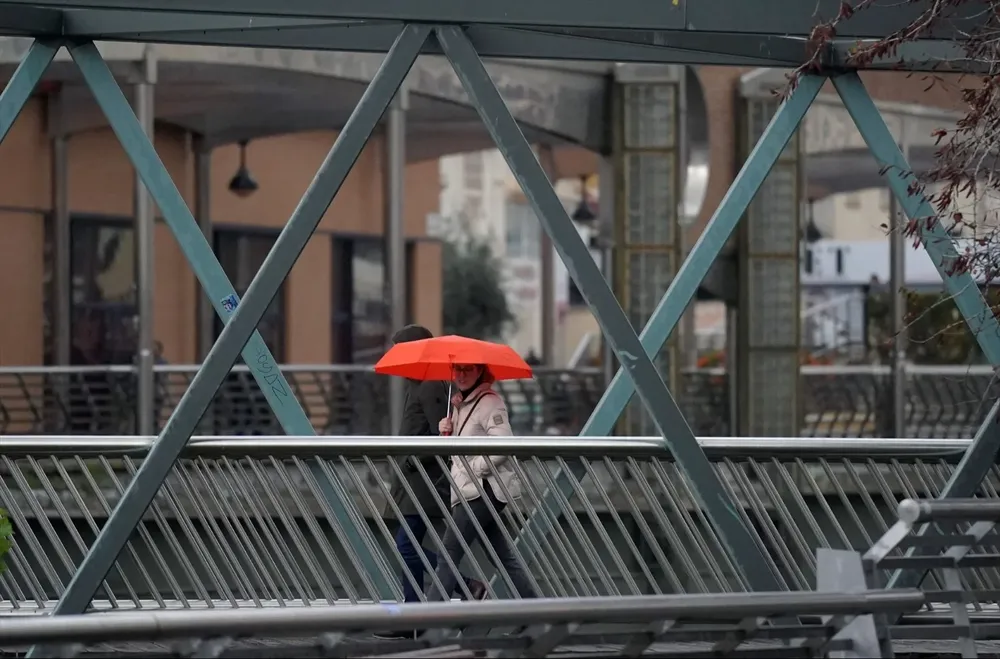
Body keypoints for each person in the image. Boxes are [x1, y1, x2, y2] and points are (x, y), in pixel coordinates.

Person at [378, 326, 485, 641]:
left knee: (406, 545)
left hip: (422, 481)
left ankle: (432, 605)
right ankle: (421, 611)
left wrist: (413, 458)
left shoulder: (429, 386)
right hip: (413, 479)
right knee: (407, 545)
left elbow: (443, 437)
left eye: (399, 350)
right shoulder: (419, 384)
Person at [425, 363, 537, 606]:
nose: (461, 375)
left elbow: (503, 444)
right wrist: (446, 431)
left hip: (482, 490)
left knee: (449, 553)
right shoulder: (461, 405)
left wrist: (477, 467)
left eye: (468, 369)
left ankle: (427, 619)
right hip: (470, 489)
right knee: (502, 556)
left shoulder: (489, 402)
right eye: (457, 369)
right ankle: (536, 612)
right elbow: (460, 448)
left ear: (480, 372)